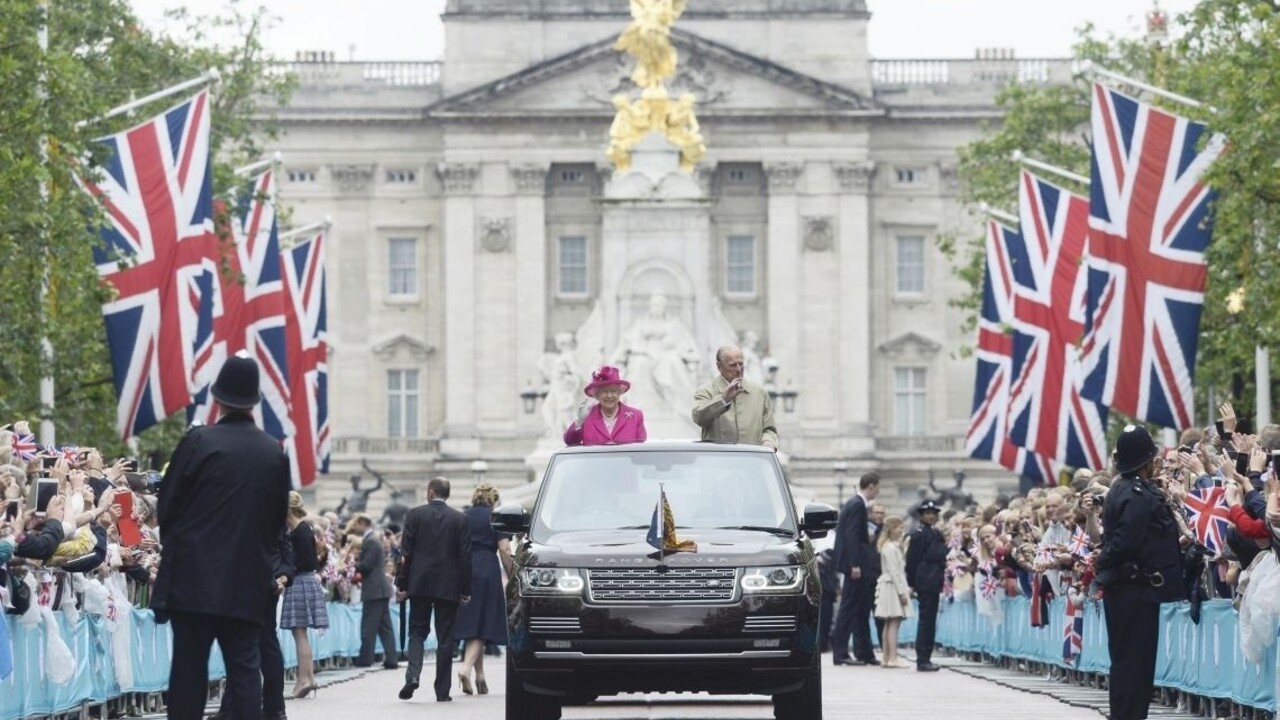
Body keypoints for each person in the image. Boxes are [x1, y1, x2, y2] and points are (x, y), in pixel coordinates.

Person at [151, 356, 292, 720]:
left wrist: (183, 547)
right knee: (245, 670)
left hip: (193, 579)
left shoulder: (198, 442)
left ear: (219, 398)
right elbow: (277, 522)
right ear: (255, 401)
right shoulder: (273, 453)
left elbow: (166, 507)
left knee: (188, 669)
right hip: (247, 580)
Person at [1095, 424, 1185, 720]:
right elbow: (1124, 541)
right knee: (1134, 662)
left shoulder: (1127, 488)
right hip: (1132, 589)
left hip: (1132, 589)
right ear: (1145, 461)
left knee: (1134, 660)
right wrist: (1103, 561)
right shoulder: (1135, 494)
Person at [397, 477, 472, 702]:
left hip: (419, 583)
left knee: (417, 632)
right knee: (445, 637)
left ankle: (413, 675)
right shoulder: (460, 519)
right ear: (446, 494)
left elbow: (405, 554)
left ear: (430, 492)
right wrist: (466, 589)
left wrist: (402, 585)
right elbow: (466, 557)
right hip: (449, 585)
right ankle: (442, 691)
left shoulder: (414, 515)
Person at [453, 483, 514, 695]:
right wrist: (512, 576)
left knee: (474, 621)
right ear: (494, 498)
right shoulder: (496, 515)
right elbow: (505, 549)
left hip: (465, 569)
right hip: (487, 568)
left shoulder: (463, 516)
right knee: (484, 621)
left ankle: (480, 677)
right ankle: (465, 669)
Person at [281, 492, 329, 698]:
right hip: (308, 580)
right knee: (301, 634)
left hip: (300, 580)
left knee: (299, 633)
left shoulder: (298, 531)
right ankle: (309, 677)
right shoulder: (305, 527)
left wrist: (284, 574)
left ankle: (303, 679)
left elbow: (302, 560)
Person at [831, 472, 880, 666]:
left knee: (860, 608)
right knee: (848, 608)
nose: (878, 491)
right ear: (870, 486)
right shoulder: (858, 505)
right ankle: (841, 652)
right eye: (877, 487)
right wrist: (854, 564)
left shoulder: (853, 503)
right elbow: (852, 537)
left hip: (855, 564)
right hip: (854, 565)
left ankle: (863, 652)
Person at [691, 345, 779, 448]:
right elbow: (698, 418)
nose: (738, 369)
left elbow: (769, 429)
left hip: (752, 460)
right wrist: (723, 400)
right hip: (718, 461)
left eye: (741, 364)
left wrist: (768, 441)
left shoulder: (760, 393)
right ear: (719, 367)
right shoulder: (705, 391)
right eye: (732, 365)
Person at [905, 499, 947, 672]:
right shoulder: (919, 534)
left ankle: (925, 657)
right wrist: (912, 583)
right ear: (921, 516)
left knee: (929, 621)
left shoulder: (934, 533)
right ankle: (922, 658)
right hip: (926, 581)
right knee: (926, 621)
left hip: (933, 581)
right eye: (927, 513)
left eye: (933, 513)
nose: (931, 516)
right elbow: (911, 561)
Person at [353, 514, 399, 670]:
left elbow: (366, 565)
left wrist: (353, 563)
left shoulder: (371, 541)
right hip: (379, 589)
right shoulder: (373, 540)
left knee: (369, 626)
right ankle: (391, 658)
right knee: (384, 627)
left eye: (356, 524)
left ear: (362, 523)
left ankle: (365, 659)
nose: (354, 527)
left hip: (374, 589)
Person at [563, 366, 648, 446]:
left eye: (613, 391)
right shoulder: (586, 416)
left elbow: (641, 451)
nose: (609, 395)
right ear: (597, 395)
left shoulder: (636, 416)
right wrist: (579, 421)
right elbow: (570, 442)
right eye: (605, 391)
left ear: (619, 393)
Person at [873, 516, 911, 668]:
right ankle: (892, 657)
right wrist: (902, 592)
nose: (901, 530)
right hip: (892, 586)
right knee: (894, 622)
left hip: (890, 585)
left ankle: (887, 657)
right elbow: (895, 571)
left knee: (889, 623)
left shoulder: (889, 546)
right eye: (898, 528)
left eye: (902, 527)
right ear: (891, 529)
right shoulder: (890, 548)